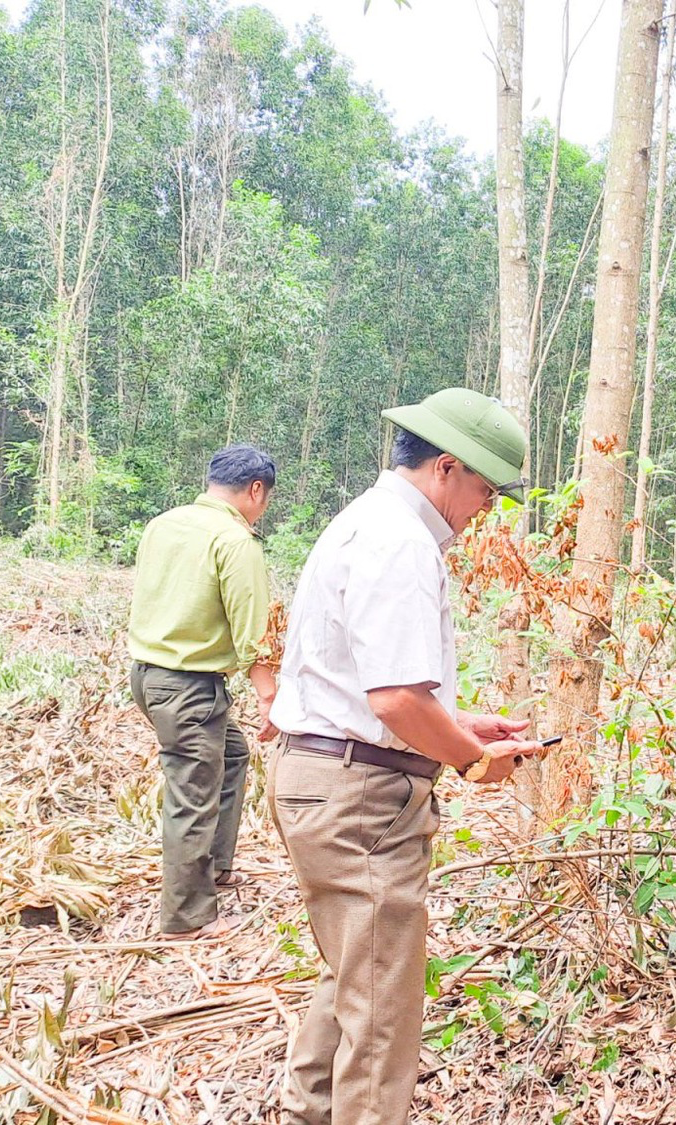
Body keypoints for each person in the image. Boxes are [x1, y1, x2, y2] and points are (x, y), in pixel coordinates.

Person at [268, 387, 549, 1125]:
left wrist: (461, 724)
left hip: (334, 774)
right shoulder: (400, 541)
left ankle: (310, 1111)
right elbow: (394, 701)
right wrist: (470, 758)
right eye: (484, 490)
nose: (484, 509)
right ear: (446, 468)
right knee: (383, 1003)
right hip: (358, 795)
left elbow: (375, 692)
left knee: (356, 971)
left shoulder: (371, 522)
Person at [126, 443, 280, 941]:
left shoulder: (163, 523)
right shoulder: (235, 541)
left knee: (230, 755)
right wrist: (268, 697)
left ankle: (213, 866)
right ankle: (186, 916)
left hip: (148, 677)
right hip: (189, 686)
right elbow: (253, 627)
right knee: (191, 792)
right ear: (256, 490)